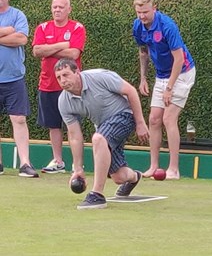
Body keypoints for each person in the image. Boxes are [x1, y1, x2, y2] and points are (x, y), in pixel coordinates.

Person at [54, 58, 149, 209]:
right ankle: (134, 177)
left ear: (77, 72)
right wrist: (78, 168)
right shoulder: (64, 101)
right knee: (118, 177)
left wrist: (140, 122)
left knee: (98, 138)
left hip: (124, 115)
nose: (62, 81)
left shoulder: (99, 77)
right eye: (59, 77)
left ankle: (97, 195)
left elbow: (130, 91)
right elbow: (74, 136)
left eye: (66, 75)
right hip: (104, 127)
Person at [132, 0, 196, 180]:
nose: (142, 16)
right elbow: (143, 52)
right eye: (138, 12)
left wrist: (169, 89)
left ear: (154, 8)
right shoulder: (138, 26)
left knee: (169, 118)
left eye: (145, 12)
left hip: (182, 72)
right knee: (153, 119)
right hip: (161, 75)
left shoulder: (167, 26)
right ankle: (153, 166)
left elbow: (179, 58)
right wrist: (143, 78)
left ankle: (174, 169)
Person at [32, 0, 86, 174]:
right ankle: (58, 161)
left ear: (69, 9)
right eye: (54, 6)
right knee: (53, 125)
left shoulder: (77, 28)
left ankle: (77, 164)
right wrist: (63, 44)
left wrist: (50, 49)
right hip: (47, 84)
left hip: (71, 87)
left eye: (61, 7)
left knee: (73, 124)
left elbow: (74, 55)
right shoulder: (43, 27)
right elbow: (37, 51)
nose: (57, 10)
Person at [0, 0, 39, 177]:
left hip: (13, 77)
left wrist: (11, 33)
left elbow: (21, 39)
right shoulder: (11, 22)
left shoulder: (17, 15)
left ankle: (25, 164)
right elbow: (13, 36)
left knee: (19, 119)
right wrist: (7, 31)